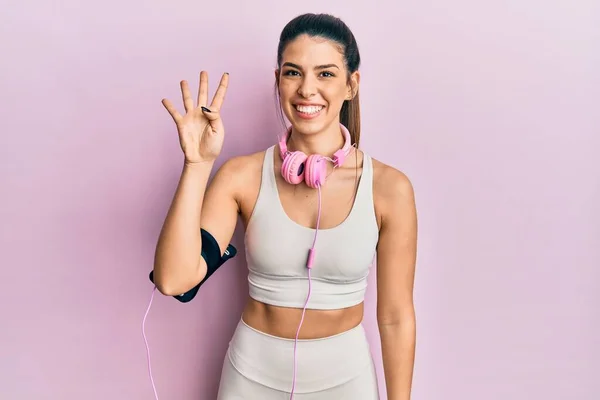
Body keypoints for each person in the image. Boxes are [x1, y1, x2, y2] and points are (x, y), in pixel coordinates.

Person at [153, 13, 417, 400]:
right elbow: (173, 280)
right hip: (250, 378)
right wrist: (198, 164)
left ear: (351, 85)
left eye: (325, 73)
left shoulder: (390, 189)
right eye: (293, 73)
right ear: (278, 81)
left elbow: (395, 318)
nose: (307, 89)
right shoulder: (240, 177)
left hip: (346, 383)